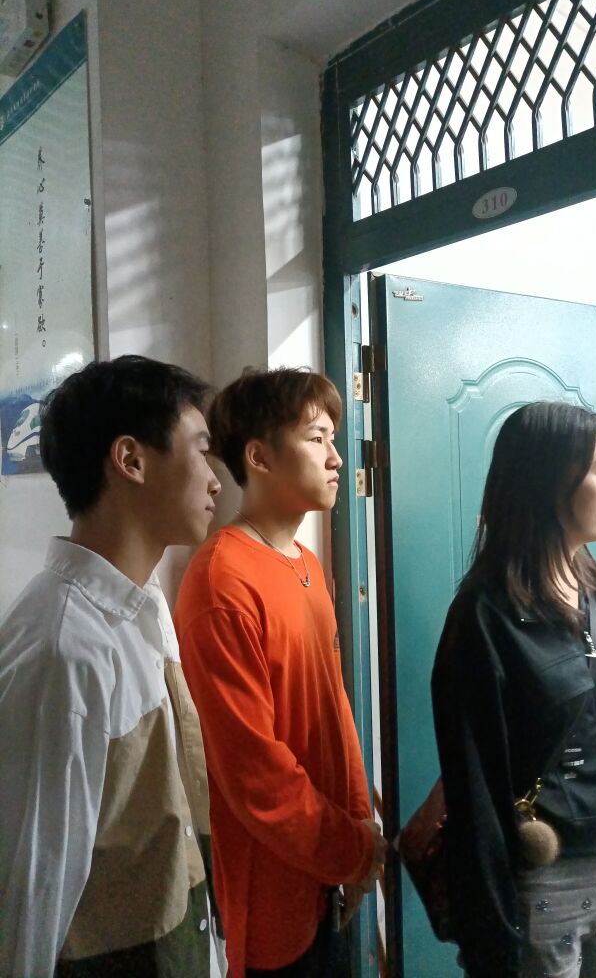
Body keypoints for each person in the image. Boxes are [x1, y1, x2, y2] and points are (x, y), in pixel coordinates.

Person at [0, 355, 222, 978]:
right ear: (131, 460)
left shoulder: (143, 606)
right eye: (201, 451)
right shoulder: (63, 649)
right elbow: (29, 900)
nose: (215, 481)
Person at [174, 366, 387, 978]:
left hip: (326, 875)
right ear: (259, 457)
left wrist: (358, 827)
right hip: (270, 897)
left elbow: (334, 708)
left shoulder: (307, 565)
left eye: (333, 439)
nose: (337, 458)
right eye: (316, 439)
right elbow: (255, 775)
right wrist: (351, 850)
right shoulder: (222, 581)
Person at [431, 401, 596, 978]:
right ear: (551, 483)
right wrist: (490, 930)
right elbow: (474, 791)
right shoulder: (483, 617)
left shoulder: (595, 589)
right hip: (544, 888)